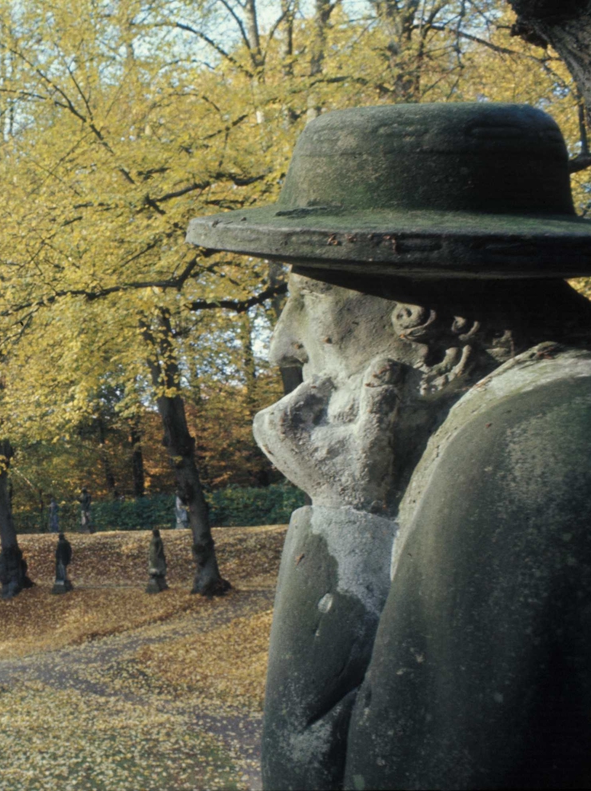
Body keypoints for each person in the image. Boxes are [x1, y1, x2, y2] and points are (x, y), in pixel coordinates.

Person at [186, 102, 591, 790]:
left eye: (308, 294)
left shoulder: (523, 447)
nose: (285, 342)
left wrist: (343, 512)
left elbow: (329, 774)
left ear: (442, 318)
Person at [146, 529, 167, 594]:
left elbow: (160, 547)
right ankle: (153, 571)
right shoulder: (153, 538)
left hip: (156, 554)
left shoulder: (158, 539)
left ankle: (158, 571)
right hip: (152, 553)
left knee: (157, 563)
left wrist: (158, 553)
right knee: (152, 563)